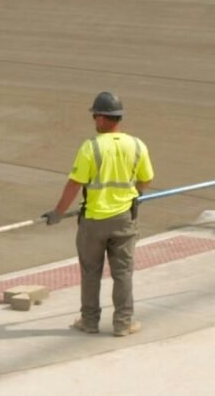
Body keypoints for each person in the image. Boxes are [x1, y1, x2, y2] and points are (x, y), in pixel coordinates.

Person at [43, 91, 153, 337]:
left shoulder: (91, 147)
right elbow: (146, 179)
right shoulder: (137, 145)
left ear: (103, 118)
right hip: (124, 220)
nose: (94, 120)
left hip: (94, 222)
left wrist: (58, 213)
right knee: (123, 273)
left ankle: (89, 321)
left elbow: (74, 184)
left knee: (91, 272)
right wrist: (131, 194)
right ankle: (123, 323)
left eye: (95, 115)